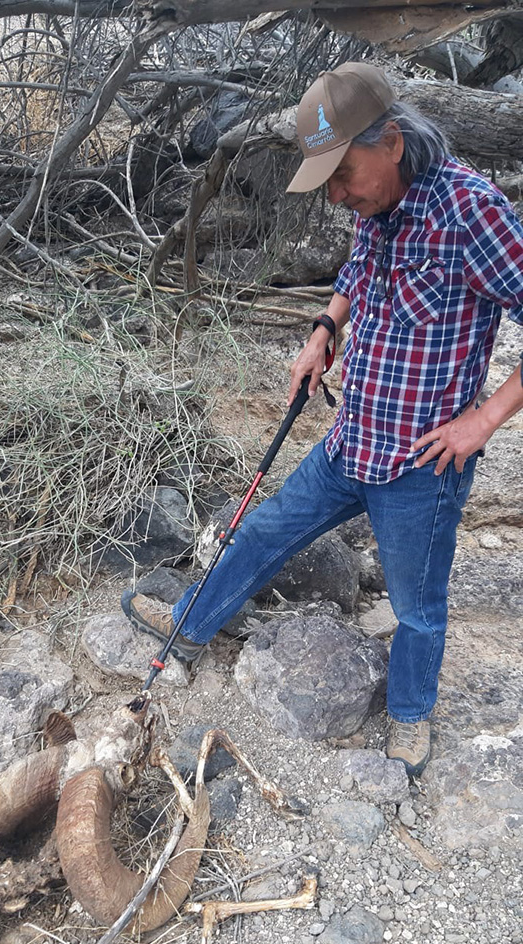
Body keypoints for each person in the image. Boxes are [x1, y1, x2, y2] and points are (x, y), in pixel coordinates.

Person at [122, 62, 523, 777]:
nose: (337, 196)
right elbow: (357, 273)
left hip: (420, 467)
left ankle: (408, 714)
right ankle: (187, 627)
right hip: (351, 439)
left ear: (392, 142)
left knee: (417, 604)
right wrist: (322, 329)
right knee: (265, 529)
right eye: (328, 181)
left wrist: (483, 421)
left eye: (343, 176)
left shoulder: (473, 211)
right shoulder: (378, 209)